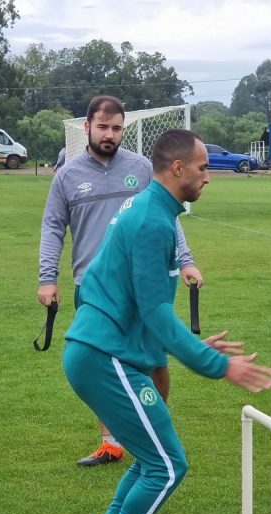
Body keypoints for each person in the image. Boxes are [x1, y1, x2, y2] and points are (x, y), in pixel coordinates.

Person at [65, 129, 271, 514]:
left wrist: (201, 349)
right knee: (166, 464)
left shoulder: (154, 211)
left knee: (150, 460)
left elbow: (145, 307)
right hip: (102, 356)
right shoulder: (151, 221)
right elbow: (156, 313)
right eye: (203, 167)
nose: (209, 177)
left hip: (106, 352)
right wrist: (218, 366)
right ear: (177, 168)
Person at [38, 96, 204, 467]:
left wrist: (186, 260)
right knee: (103, 364)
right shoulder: (67, 176)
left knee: (154, 362)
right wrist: (48, 278)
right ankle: (111, 442)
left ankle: (153, 433)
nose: (110, 134)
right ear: (87, 128)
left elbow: (168, 215)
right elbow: (52, 228)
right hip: (94, 287)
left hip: (143, 284)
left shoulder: (143, 168)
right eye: (103, 127)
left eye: (116, 128)